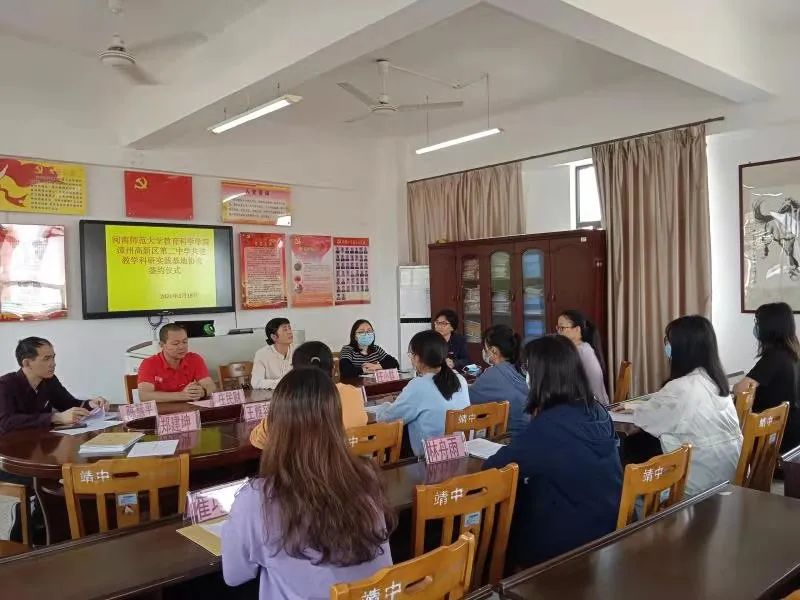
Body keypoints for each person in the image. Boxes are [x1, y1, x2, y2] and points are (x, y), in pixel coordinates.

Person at [222, 368, 395, 598]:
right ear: (336, 421)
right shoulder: (366, 475)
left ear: (274, 425)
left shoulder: (257, 499)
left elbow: (234, 575)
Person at [484, 335, 621, 568]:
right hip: (609, 522)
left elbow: (493, 468)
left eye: (527, 369)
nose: (525, 376)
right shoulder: (597, 410)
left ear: (542, 376)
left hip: (568, 542)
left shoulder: (550, 426)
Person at [632, 316, 742, 497]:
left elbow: (645, 418)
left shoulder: (680, 388)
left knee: (634, 456)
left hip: (698, 484)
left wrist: (635, 408)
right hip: (729, 475)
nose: (666, 346)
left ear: (683, 348)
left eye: (669, 341)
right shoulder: (715, 381)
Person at [250, 341, 368, 449]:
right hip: (347, 463)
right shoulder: (352, 393)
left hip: (302, 465)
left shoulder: (287, 401)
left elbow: (258, 439)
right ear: (333, 369)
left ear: (294, 370)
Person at [374, 330, 470, 456]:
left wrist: (383, 405)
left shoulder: (419, 385)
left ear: (417, 357)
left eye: (411, 354)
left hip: (428, 456)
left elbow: (388, 419)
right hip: (458, 450)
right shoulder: (460, 379)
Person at [0, 337, 109, 435]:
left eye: (53, 357)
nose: (53, 363)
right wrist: (55, 417)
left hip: (42, 441)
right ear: (26, 363)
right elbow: (6, 422)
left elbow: (69, 404)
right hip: (11, 445)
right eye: (46, 359)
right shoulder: (5, 384)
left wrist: (91, 404)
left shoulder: (49, 380)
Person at [734, 302, 800, 451]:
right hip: (791, 433)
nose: (756, 327)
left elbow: (740, 389)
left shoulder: (775, 356)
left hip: (777, 436)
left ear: (769, 327)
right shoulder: (792, 354)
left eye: (758, 322)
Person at [469, 325, 529, 436]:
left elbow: (467, 400)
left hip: (508, 437)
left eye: (485, 348)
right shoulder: (519, 369)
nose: (484, 352)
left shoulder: (493, 374)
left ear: (494, 351)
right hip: (528, 432)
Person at [137, 323, 216, 403]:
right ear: (162, 345)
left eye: (184, 342)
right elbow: (144, 396)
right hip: (164, 410)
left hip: (189, 408)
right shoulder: (149, 364)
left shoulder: (194, 359)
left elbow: (211, 386)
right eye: (176, 343)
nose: (182, 347)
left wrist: (203, 392)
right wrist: (182, 395)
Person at [557, 310, 609, 405]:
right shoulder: (577, 348)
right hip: (586, 404)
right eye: (558, 328)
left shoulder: (582, 351)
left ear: (577, 329)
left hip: (593, 407)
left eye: (562, 328)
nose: (558, 332)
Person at [251, 318, 294, 390]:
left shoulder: (298, 351)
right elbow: (256, 382)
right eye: (285, 330)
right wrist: (283, 383)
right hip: (271, 395)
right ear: (274, 337)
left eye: (290, 328)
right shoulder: (262, 354)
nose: (290, 332)